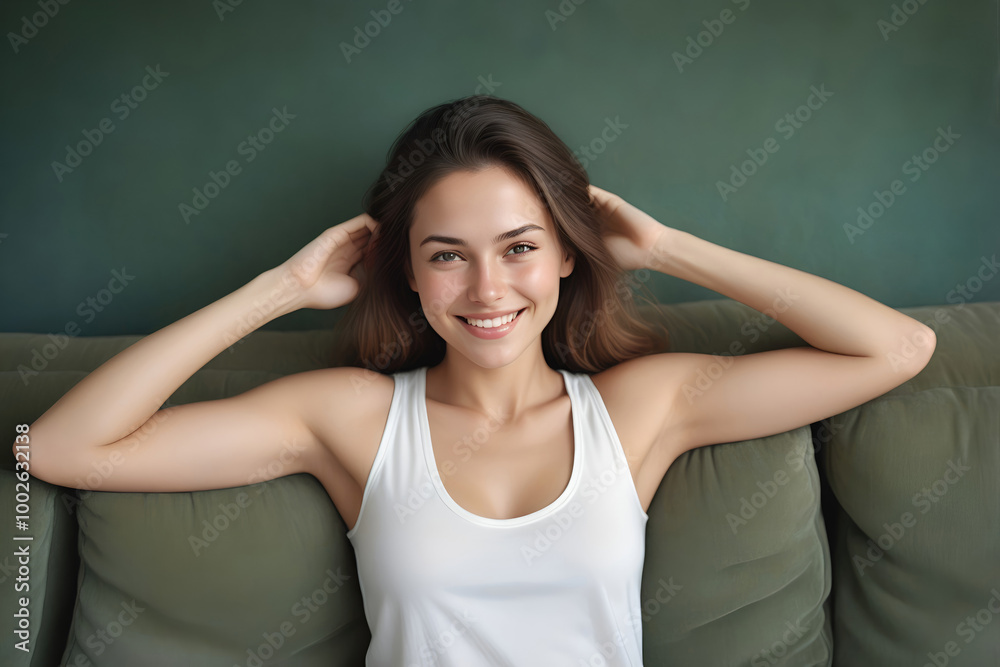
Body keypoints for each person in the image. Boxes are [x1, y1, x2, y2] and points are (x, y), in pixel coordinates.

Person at [18, 95, 937, 665]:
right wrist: (282, 288)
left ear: (566, 257)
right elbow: (58, 448)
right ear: (408, 273)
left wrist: (667, 247)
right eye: (447, 255)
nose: (488, 289)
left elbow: (895, 349)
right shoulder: (351, 418)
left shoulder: (642, 407)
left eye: (521, 248)